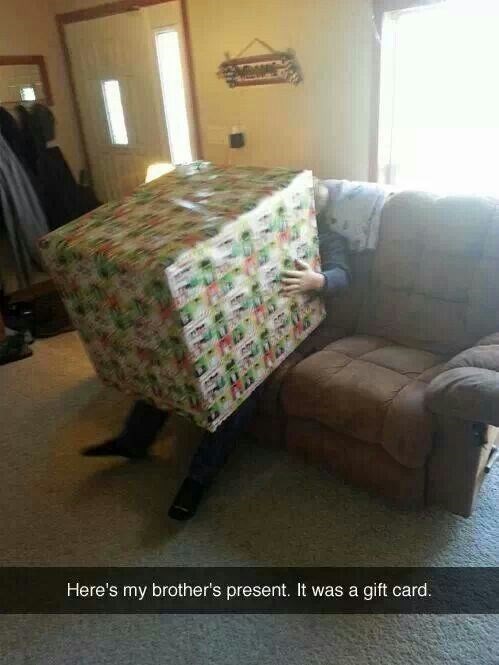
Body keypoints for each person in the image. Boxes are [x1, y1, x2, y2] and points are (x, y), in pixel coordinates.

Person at [82, 185, 351, 521]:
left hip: (283, 326)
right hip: (242, 315)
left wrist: (318, 280)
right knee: (171, 363)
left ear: (318, 211)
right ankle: (133, 439)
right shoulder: (262, 226)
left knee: (239, 387)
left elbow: (342, 275)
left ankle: (198, 478)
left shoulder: (329, 238)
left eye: (309, 204)